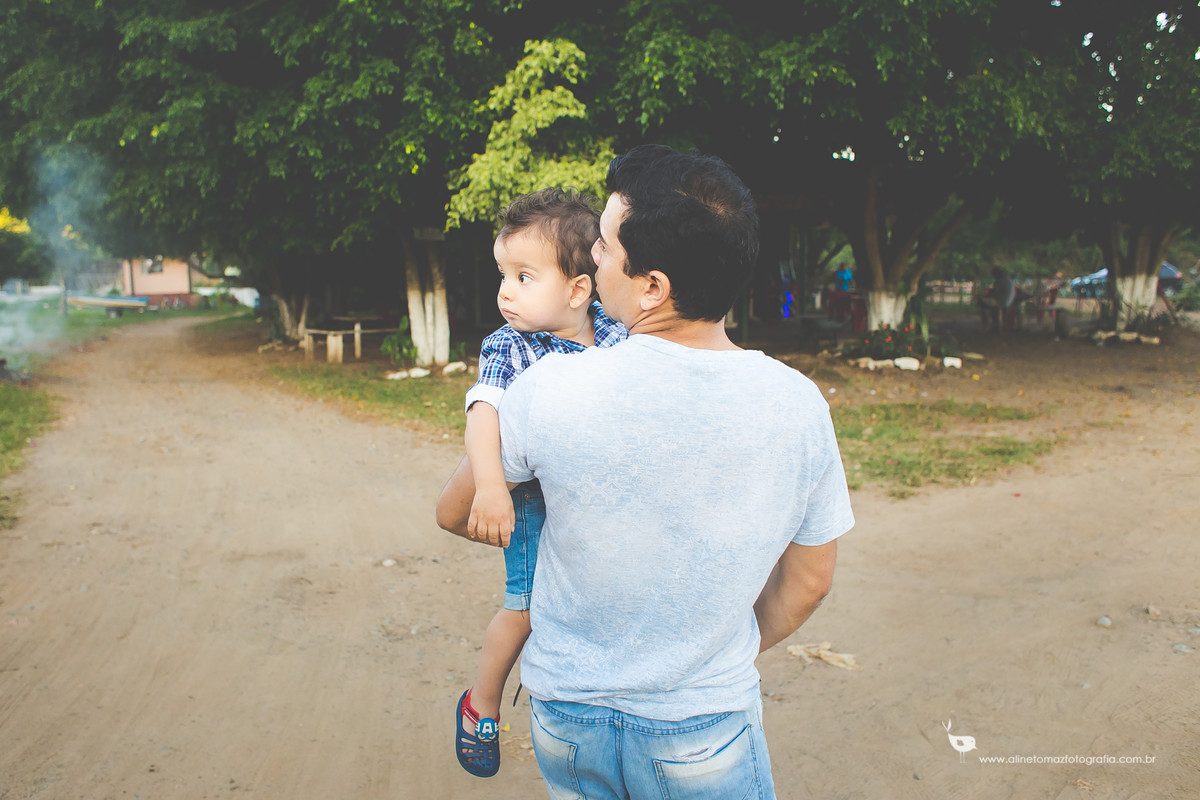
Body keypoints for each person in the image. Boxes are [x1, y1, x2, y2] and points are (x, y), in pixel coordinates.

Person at [437, 145, 853, 799]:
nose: (593, 258)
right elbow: (809, 582)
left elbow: (456, 512)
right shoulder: (798, 405)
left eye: (603, 247)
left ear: (652, 286)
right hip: (702, 725)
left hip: (568, 719)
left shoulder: (549, 386)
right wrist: (709, 655)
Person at [452, 187, 627, 779]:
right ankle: (482, 703)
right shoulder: (510, 345)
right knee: (526, 607)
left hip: (591, 497)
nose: (505, 291)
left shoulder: (615, 334)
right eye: (503, 275)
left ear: (578, 290)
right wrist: (489, 487)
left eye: (524, 277)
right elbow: (484, 413)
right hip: (530, 500)